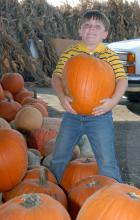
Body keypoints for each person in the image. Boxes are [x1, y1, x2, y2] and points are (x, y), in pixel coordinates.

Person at [49, 9, 128, 183]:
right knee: (59, 156)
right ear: (79, 30)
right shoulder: (70, 53)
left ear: (105, 34)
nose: (91, 29)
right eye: (87, 25)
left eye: (97, 26)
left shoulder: (110, 56)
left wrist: (113, 102)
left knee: (107, 162)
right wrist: (62, 98)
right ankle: (53, 193)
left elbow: (122, 80)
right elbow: (56, 77)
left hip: (100, 116)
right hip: (72, 114)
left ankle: (117, 197)